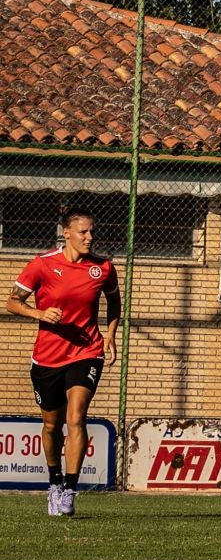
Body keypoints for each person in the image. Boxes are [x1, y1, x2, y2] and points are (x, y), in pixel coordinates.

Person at [8, 206, 119, 518]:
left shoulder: (103, 267)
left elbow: (114, 301)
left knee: (76, 417)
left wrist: (109, 335)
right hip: (47, 357)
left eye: (92, 231)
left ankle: (70, 490)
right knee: (51, 425)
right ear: (66, 233)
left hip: (86, 353)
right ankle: (54, 482)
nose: (90, 237)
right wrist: (40, 314)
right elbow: (12, 301)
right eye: (83, 232)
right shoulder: (42, 266)